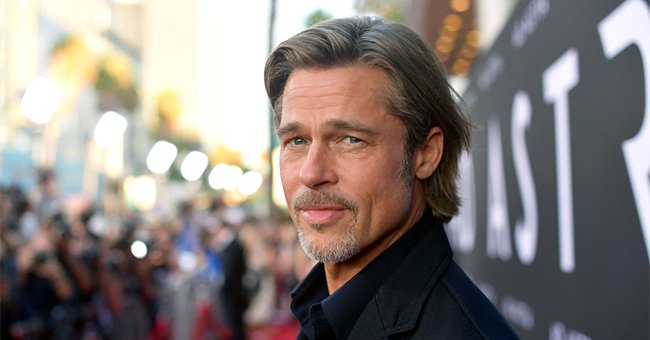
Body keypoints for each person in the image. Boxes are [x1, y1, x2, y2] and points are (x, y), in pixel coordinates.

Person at [264, 16, 519, 339]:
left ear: (425, 153)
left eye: (350, 139)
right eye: (296, 141)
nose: (312, 173)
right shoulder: (323, 307)